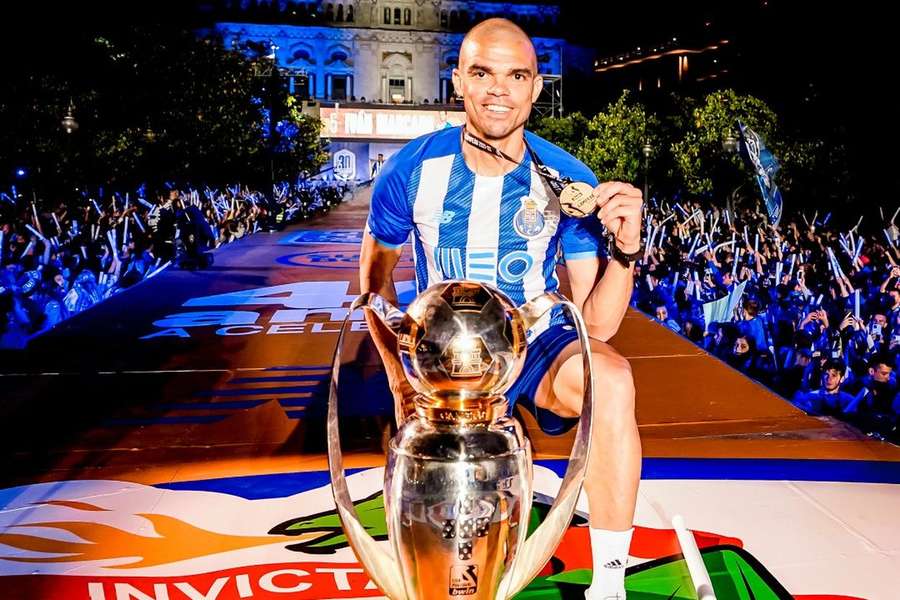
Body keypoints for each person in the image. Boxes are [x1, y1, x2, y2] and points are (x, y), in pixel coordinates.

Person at [359, 18, 643, 600]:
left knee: (611, 380)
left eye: (517, 75)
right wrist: (398, 375)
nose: (498, 90)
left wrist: (626, 250)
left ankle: (610, 583)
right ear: (458, 80)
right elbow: (374, 284)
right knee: (451, 550)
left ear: (537, 87)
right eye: (483, 73)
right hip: (442, 357)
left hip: (530, 344)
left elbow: (597, 326)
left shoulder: (568, 179)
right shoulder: (411, 170)